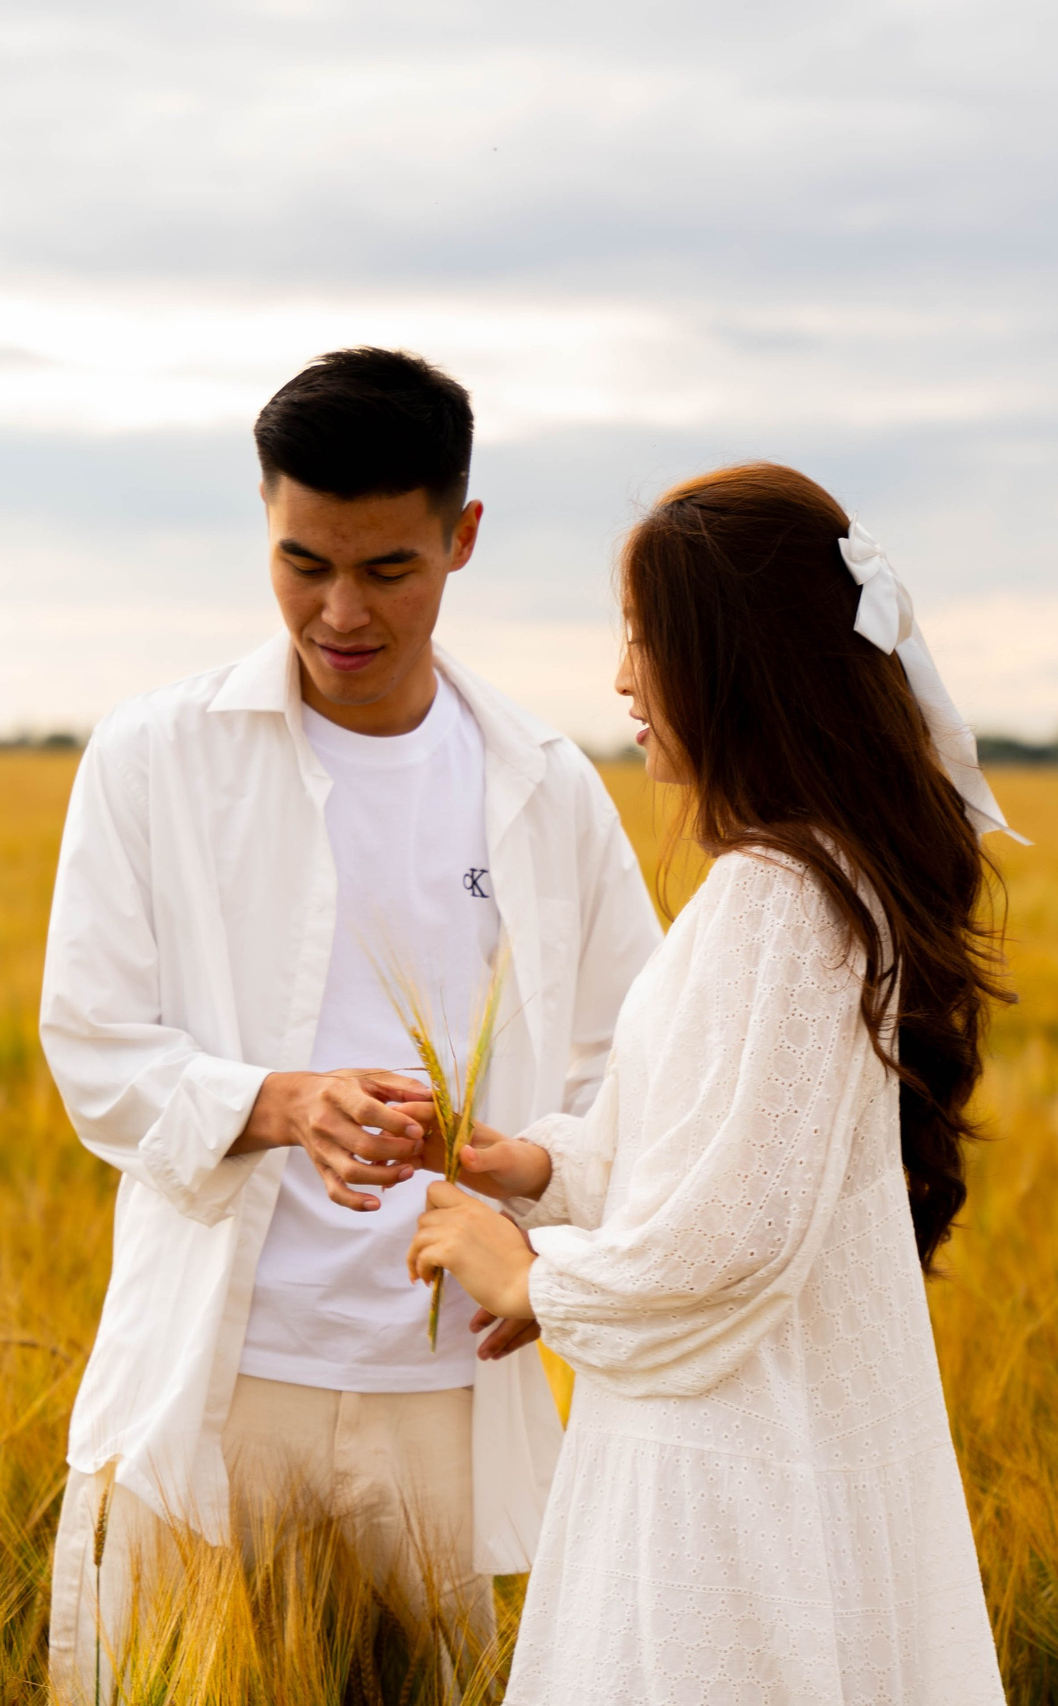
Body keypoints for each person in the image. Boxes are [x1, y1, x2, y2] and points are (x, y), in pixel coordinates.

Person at [37, 347, 662, 1703]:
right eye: (300, 560)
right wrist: (282, 1102)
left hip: (445, 1388)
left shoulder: (550, 790)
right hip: (215, 1372)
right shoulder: (152, 759)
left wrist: (532, 1197)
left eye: (388, 568)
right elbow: (93, 1046)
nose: (338, 611)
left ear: (463, 537)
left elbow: (640, 1073)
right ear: (264, 523)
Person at [408, 462, 1021, 1704]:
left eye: (644, 642)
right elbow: (715, 1144)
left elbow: (735, 1232)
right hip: (748, 1441)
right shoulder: (802, 878)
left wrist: (532, 1273)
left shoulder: (776, 897)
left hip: (724, 1481)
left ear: (733, 662)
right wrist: (544, 1167)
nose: (623, 679)